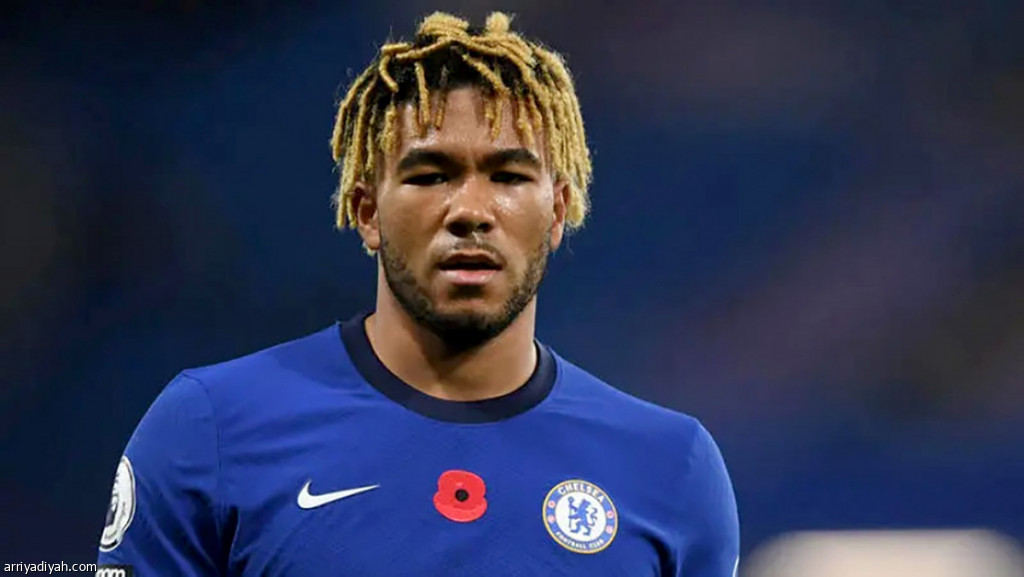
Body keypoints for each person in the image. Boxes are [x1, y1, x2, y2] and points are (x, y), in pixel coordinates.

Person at [96, 11, 739, 576]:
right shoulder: (208, 431)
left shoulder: (670, 469)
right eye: (431, 175)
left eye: (509, 176)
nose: (471, 211)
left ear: (558, 211)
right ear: (367, 212)